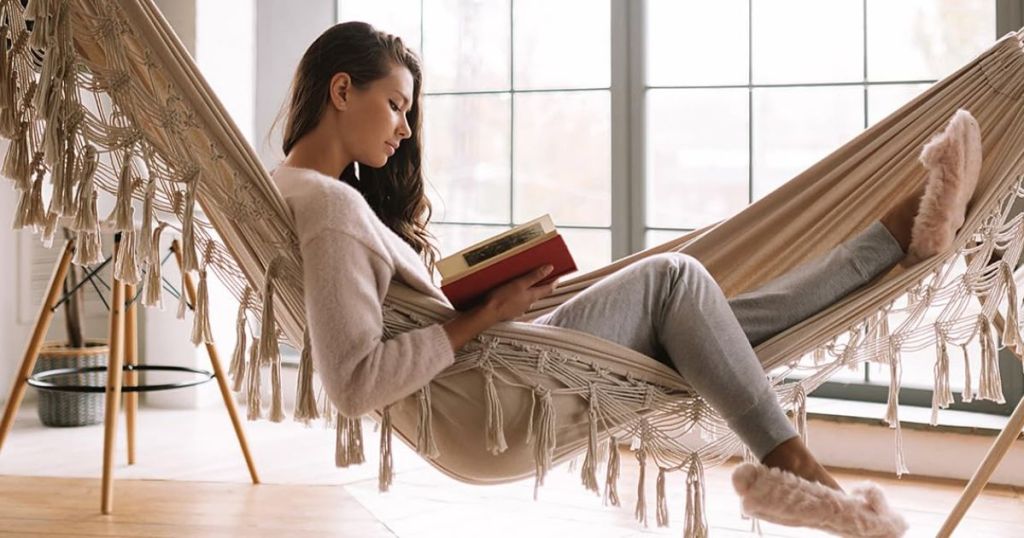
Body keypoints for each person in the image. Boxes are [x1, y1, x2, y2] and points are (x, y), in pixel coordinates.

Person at [271, 21, 978, 503]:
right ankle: (793, 465)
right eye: (395, 105)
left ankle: (893, 242)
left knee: (708, 327)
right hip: (494, 399)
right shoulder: (332, 210)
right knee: (674, 279)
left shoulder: (305, 194)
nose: (402, 129)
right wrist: (485, 312)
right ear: (342, 91)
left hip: (490, 386)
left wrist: (482, 301)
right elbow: (354, 383)